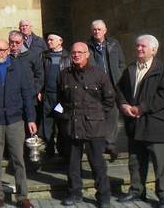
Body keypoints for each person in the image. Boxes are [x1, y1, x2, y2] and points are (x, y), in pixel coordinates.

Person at [0, 40, 37, 208]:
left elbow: (27, 95)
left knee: (18, 159)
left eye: (3, 50)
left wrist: (31, 119)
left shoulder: (20, 68)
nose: (0, 53)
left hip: (15, 122)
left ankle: (23, 197)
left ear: (9, 50)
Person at [117, 35, 164, 208]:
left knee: (160, 162)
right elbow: (120, 90)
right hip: (134, 123)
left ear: (154, 50)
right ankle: (136, 190)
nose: (139, 49)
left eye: (143, 46)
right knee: (135, 160)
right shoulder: (130, 69)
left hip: (155, 123)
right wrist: (124, 105)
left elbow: (163, 97)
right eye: (137, 46)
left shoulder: (163, 71)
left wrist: (142, 108)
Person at [58, 42, 114, 208]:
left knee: (98, 164)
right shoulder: (64, 75)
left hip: (94, 127)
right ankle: (75, 193)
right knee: (73, 164)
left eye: (80, 52)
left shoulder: (99, 74)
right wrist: (63, 116)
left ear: (87, 54)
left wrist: (97, 115)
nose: (76, 55)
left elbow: (109, 99)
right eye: (73, 52)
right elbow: (59, 100)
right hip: (73, 125)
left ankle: (103, 197)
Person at [87, 19, 126, 160]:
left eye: (99, 29)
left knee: (112, 115)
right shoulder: (88, 46)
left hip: (112, 84)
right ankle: (99, 143)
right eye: (94, 29)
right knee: (97, 114)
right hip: (96, 86)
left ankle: (110, 144)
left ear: (105, 30)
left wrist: (120, 77)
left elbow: (121, 63)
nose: (96, 32)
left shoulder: (114, 44)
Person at [40, 32, 71, 159]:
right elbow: (40, 75)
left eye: (52, 40)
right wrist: (40, 91)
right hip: (48, 95)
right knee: (47, 124)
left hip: (61, 97)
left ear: (60, 41)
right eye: (48, 40)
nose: (49, 42)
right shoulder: (44, 56)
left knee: (62, 123)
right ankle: (49, 149)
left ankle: (63, 151)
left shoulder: (68, 57)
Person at [9, 30, 44, 99]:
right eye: (11, 42)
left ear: (22, 42)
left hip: (29, 97)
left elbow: (39, 76)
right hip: (11, 97)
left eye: (17, 42)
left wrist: (33, 91)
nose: (14, 45)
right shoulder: (5, 56)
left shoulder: (32, 56)